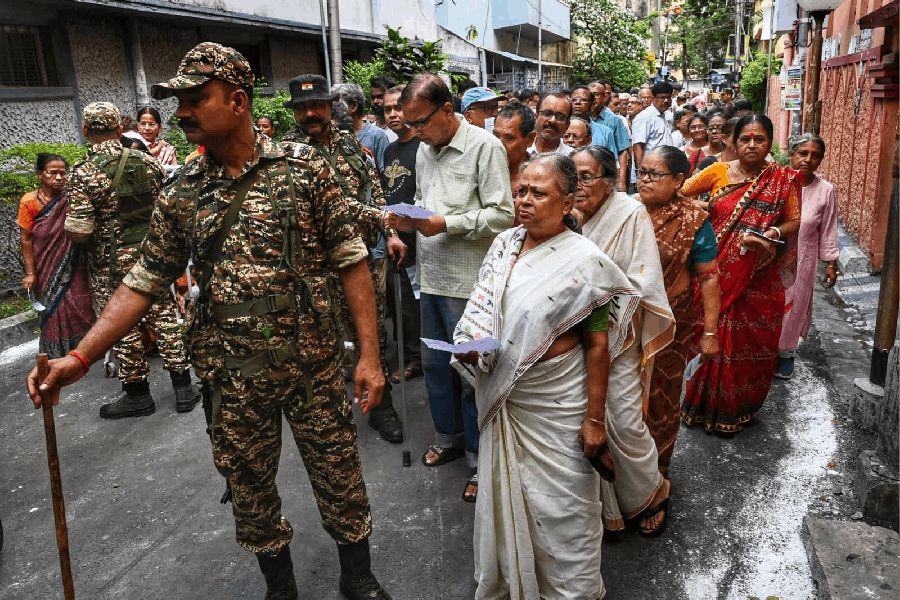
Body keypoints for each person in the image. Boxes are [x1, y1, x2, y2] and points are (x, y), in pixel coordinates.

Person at [29, 43, 391, 600]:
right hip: (233, 376)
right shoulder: (181, 191)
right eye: (179, 102)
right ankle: (280, 587)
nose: (181, 114)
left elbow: (351, 261)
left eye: (196, 99)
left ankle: (357, 576)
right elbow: (142, 280)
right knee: (249, 490)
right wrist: (81, 356)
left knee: (339, 473)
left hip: (312, 366)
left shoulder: (304, 170)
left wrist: (368, 356)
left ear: (238, 101)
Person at [454, 154, 641, 600]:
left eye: (538, 193)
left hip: (558, 403)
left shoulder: (588, 263)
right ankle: (515, 584)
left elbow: (598, 347)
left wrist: (594, 420)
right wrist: (474, 344)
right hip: (508, 397)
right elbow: (484, 310)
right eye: (521, 190)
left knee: (566, 510)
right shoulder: (504, 245)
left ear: (567, 201)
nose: (525, 200)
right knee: (509, 498)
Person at [385, 72, 514, 502]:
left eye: (421, 122)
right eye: (410, 124)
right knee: (436, 365)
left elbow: (502, 215)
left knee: (471, 371)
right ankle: (449, 437)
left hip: (470, 283)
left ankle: (480, 458)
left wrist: (446, 223)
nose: (416, 131)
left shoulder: (485, 147)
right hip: (432, 277)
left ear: (446, 110)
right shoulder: (424, 149)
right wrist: (407, 222)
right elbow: (426, 203)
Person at [283, 74, 406, 444]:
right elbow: (333, 203)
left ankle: (381, 406)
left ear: (328, 106)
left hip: (359, 257)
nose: (310, 113)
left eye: (316, 105)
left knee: (371, 333)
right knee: (321, 339)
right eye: (302, 108)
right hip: (314, 266)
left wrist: (390, 230)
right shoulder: (285, 154)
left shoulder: (349, 142)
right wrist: (380, 217)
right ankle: (329, 412)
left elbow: (372, 186)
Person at [65, 101, 197, 418]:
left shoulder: (83, 172)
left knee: (122, 326)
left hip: (111, 265)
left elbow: (80, 232)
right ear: (120, 129)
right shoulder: (147, 162)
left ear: (85, 130)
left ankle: (138, 395)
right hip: (152, 256)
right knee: (164, 318)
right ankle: (184, 389)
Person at [571, 145, 676, 537]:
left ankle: (653, 489)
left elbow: (642, 280)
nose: (579, 186)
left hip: (619, 334)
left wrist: (601, 305)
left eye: (587, 177)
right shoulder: (566, 214)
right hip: (575, 336)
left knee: (623, 419)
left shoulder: (630, 213)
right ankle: (607, 507)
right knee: (584, 418)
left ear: (609, 181)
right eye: (573, 177)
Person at [680, 114, 801, 433]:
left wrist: (769, 234)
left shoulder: (783, 179)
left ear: (770, 144)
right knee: (709, 331)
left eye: (759, 139)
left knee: (752, 340)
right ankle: (699, 404)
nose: (751, 145)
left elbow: (793, 220)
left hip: (759, 276)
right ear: (734, 142)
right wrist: (706, 212)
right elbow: (679, 194)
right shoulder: (717, 171)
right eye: (745, 139)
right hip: (714, 271)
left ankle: (737, 407)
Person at [634, 146, 721, 476]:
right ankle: (621, 476)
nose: (645, 180)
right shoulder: (625, 211)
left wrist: (710, 333)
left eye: (654, 174)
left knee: (662, 399)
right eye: (642, 172)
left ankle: (657, 473)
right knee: (621, 398)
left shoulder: (693, 220)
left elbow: (709, 278)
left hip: (670, 325)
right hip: (624, 323)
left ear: (679, 180)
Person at [18, 154, 95, 358]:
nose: (59, 177)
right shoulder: (29, 201)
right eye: (52, 173)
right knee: (52, 307)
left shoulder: (72, 197)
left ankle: (86, 349)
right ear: (40, 174)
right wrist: (30, 273)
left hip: (74, 261)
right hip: (44, 264)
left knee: (80, 304)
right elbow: (26, 238)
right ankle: (55, 354)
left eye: (63, 173)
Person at [777, 133, 839, 379]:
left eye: (815, 155)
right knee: (769, 303)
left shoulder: (826, 190)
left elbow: (828, 229)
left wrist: (831, 264)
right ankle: (762, 350)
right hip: (772, 256)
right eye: (802, 153)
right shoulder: (778, 182)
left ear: (821, 160)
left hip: (803, 259)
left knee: (795, 305)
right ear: (791, 154)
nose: (807, 159)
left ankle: (785, 353)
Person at [380, 84, 423, 384]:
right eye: (387, 109)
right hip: (395, 236)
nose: (393, 114)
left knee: (415, 303)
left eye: (398, 108)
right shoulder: (390, 149)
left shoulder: (423, 146)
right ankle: (409, 354)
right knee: (399, 303)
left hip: (419, 236)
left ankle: (419, 358)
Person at [333, 82, 390, 175]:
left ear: (354, 106)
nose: (334, 108)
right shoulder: (335, 135)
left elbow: (386, 175)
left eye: (339, 104)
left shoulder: (377, 136)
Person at [589, 80, 631, 190]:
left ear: (605, 98)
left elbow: (622, 152)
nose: (593, 98)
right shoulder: (580, 119)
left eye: (597, 95)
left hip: (607, 176)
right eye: (590, 94)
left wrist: (621, 182)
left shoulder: (615, 120)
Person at [493, 102, 536, 198]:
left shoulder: (540, 177)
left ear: (530, 139)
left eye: (509, 138)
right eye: (496, 136)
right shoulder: (482, 171)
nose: (499, 145)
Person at [631, 81, 674, 171]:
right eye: (662, 97)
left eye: (668, 97)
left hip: (663, 168)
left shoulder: (666, 115)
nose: (666, 101)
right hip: (650, 170)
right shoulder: (645, 117)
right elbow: (638, 147)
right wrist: (641, 173)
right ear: (653, 98)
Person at [570, 85, 614, 153]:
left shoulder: (605, 133)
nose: (577, 102)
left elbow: (612, 158)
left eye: (583, 100)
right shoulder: (561, 131)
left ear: (592, 105)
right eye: (574, 100)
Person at [369, 74, 399, 142]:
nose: (375, 101)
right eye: (373, 98)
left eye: (380, 97)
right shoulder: (370, 131)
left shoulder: (400, 130)